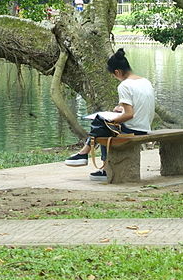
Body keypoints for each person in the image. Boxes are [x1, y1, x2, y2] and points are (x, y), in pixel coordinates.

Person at [63, 48, 155, 182]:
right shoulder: (145, 82)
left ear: (117, 72)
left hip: (132, 130)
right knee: (103, 123)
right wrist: (120, 110)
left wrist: (114, 120)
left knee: (101, 122)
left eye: (113, 75)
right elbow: (140, 107)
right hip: (145, 128)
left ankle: (93, 160)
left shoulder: (124, 85)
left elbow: (129, 115)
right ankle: (88, 157)